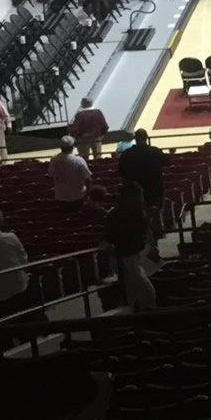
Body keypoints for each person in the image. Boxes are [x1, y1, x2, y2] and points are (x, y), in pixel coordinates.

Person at [103, 181, 157, 310]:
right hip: (126, 258)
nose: (141, 199)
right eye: (139, 196)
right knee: (146, 293)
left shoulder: (138, 213)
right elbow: (106, 239)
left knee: (135, 292)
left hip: (136, 256)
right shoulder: (116, 215)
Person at [117, 129, 169, 216]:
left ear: (135, 138)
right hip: (154, 190)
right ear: (146, 138)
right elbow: (166, 163)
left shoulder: (126, 154)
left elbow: (121, 172)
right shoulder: (155, 151)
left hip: (134, 193)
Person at [51, 137, 92, 208]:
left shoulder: (54, 160)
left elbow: (50, 174)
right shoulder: (79, 160)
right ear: (73, 147)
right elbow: (88, 179)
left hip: (61, 198)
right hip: (78, 197)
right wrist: (87, 196)